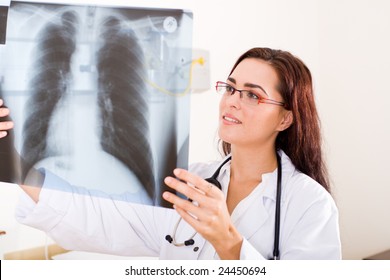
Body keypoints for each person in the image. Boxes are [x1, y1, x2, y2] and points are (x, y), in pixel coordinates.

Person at [0, 47, 341, 260]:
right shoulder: (188, 180)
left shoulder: (310, 204)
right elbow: (103, 218)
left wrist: (227, 241)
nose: (233, 100)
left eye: (253, 95)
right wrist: (12, 160)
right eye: (231, 88)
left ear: (285, 117)